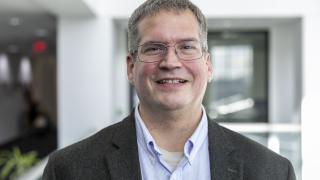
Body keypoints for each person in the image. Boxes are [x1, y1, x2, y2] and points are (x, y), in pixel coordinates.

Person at [43, 0, 296, 179]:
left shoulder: (271, 171)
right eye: (154, 48)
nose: (171, 62)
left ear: (208, 66)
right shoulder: (68, 170)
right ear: (131, 68)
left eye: (187, 47)